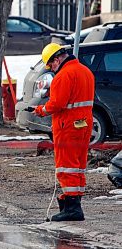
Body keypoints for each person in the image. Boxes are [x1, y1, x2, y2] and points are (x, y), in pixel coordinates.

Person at [34, 43, 95, 221]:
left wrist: (40, 110)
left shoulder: (63, 75)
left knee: (66, 166)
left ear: (57, 59)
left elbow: (56, 104)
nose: (51, 69)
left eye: (51, 65)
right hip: (84, 125)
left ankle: (72, 208)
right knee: (78, 165)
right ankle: (72, 204)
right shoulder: (86, 72)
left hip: (67, 126)